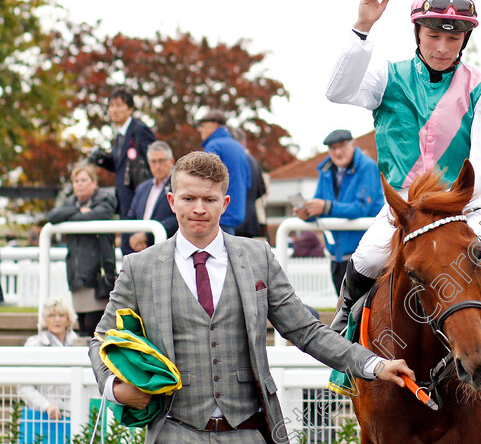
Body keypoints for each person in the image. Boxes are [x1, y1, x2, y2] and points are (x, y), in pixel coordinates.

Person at [88, 151, 413, 444]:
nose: (199, 209)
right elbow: (101, 340)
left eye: (209, 199)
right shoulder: (139, 267)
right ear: (172, 201)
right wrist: (116, 390)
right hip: (173, 430)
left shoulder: (258, 257)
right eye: (189, 199)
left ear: (225, 203)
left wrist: (373, 364)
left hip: (248, 432)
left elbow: (306, 331)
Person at [325, 0, 481, 329]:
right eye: (434, 36)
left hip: (458, 207)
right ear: (417, 32)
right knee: (367, 259)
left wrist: (455, 205)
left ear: (465, 39)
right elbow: (337, 91)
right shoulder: (387, 77)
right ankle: (344, 326)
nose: (443, 47)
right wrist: (363, 27)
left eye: (453, 38)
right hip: (402, 206)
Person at [294, 129, 383, 296]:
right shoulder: (326, 171)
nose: (338, 152)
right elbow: (319, 205)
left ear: (353, 144)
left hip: (365, 255)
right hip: (337, 255)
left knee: (364, 311)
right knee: (343, 312)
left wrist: (325, 207)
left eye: (341, 146)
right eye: (332, 148)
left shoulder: (367, 167)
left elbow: (361, 207)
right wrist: (307, 214)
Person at [46, 163, 117, 337]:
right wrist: (78, 210)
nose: (79, 184)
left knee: (95, 326)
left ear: (94, 183)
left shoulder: (106, 199)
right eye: (76, 181)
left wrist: (71, 217)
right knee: (83, 327)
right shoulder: (71, 202)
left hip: (97, 275)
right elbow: (52, 216)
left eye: (84, 180)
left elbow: (100, 214)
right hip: (77, 272)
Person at [18, 298, 78, 443]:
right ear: (45, 320)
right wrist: (47, 406)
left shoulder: (79, 343)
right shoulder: (34, 344)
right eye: (52, 315)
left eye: (61, 315)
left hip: (72, 418)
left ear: (68, 319)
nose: (57, 320)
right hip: (39, 417)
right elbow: (24, 386)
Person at [91, 89, 155, 218]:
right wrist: (100, 159)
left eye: (119, 106)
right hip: (125, 201)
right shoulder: (120, 134)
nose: (114, 110)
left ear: (130, 109)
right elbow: (119, 165)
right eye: (111, 106)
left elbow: (155, 160)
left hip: (140, 198)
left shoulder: (140, 130)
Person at [195, 109, 251, 235]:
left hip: (217, 218)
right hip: (236, 216)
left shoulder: (214, 146)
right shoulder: (239, 147)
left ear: (214, 125)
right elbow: (248, 183)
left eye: (203, 125)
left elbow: (203, 182)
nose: (200, 129)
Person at [121, 141, 178, 256]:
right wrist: (134, 237)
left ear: (171, 161)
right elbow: (131, 217)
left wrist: (146, 236)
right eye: (153, 162)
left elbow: (177, 218)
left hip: (167, 251)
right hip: (140, 251)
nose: (157, 166)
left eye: (161, 161)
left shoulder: (179, 186)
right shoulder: (142, 188)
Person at [230, 127, 268, 239]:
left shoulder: (235, 160)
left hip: (235, 218)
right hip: (251, 218)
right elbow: (262, 189)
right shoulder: (254, 161)